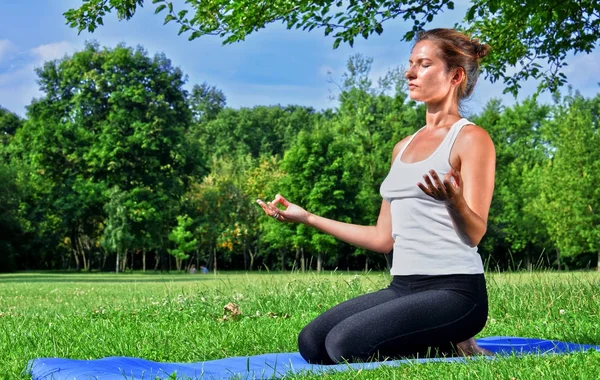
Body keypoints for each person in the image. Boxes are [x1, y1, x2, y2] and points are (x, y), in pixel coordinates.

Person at [257, 28, 496, 364]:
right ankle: (444, 342)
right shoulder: (403, 147)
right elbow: (383, 239)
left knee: (343, 345)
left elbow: (475, 233)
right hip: (404, 287)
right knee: (312, 342)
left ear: (455, 75)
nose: (409, 72)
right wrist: (307, 217)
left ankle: (454, 339)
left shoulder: (472, 139)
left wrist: (453, 201)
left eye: (423, 65)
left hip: (456, 292)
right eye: (410, 63)